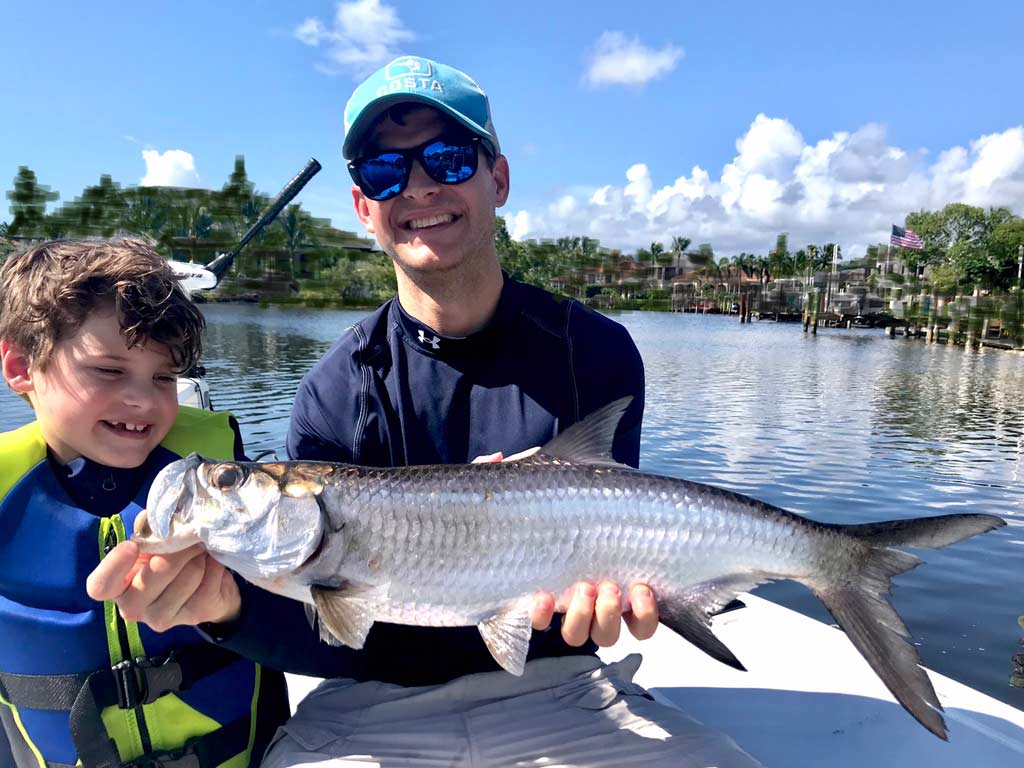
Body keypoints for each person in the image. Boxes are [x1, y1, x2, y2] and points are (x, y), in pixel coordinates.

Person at [91, 58, 762, 767]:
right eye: (385, 171)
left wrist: (610, 601)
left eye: (446, 158)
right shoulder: (333, 390)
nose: (417, 186)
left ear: (497, 178)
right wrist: (223, 612)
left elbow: (604, 554)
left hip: (561, 688)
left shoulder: (592, 350)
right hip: (369, 704)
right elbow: (335, 638)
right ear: (362, 205)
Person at [0, 239, 290, 768]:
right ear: (21, 366)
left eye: (164, 377)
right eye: (109, 371)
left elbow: (290, 604)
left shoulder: (222, 472)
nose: (144, 400)